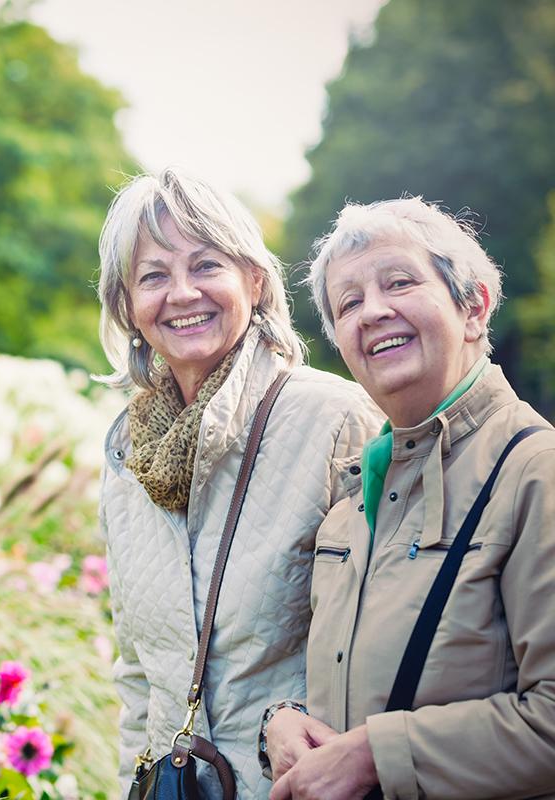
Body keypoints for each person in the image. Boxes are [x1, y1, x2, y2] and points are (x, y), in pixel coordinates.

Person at [96, 168, 382, 799]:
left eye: (205, 265)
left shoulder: (338, 420)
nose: (181, 293)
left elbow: (392, 636)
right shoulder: (125, 452)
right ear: (127, 305)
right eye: (153, 276)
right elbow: (139, 677)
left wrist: (285, 724)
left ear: (254, 280)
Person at [263, 197, 555, 799]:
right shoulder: (351, 504)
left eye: (399, 282)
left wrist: (377, 755)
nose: (372, 311)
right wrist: (285, 719)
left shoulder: (535, 473)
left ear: (473, 306)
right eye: (348, 303)